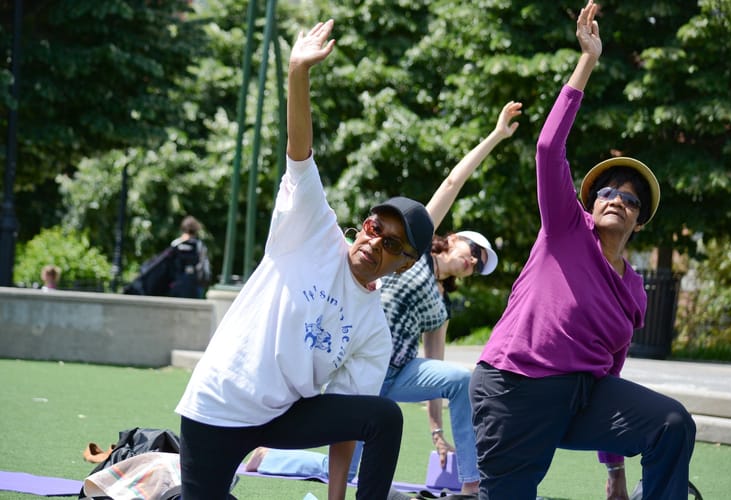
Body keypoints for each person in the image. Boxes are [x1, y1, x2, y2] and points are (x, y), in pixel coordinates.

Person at [175, 19, 435, 500]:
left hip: (282, 415)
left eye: (395, 245)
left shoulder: (374, 331)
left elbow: (349, 422)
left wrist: (336, 496)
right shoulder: (311, 232)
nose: (379, 243)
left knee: (383, 416)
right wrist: (298, 72)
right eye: (378, 228)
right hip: (219, 405)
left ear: (404, 265)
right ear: (365, 225)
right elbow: (300, 153)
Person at [469, 3, 696, 500]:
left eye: (631, 199)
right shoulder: (566, 228)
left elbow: (611, 370)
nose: (618, 199)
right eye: (608, 192)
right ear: (591, 204)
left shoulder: (634, 288)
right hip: (515, 389)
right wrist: (587, 61)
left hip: (581, 397)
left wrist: (613, 469)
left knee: (672, 423)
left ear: (639, 219)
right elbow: (549, 149)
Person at [248, 101, 523, 497]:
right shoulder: (411, 251)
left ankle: (471, 485)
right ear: (454, 238)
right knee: (346, 466)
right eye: (473, 250)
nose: (472, 262)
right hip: (362, 366)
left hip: (400, 370)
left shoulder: (441, 306)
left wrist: (436, 431)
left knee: (463, 380)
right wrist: (496, 136)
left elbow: (436, 364)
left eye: (479, 265)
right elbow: (451, 184)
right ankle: (270, 458)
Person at [169, 215, 211, 298]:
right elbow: (204, 266)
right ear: (196, 230)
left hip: (177, 282)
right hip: (195, 283)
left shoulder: (175, 244)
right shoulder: (200, 245)